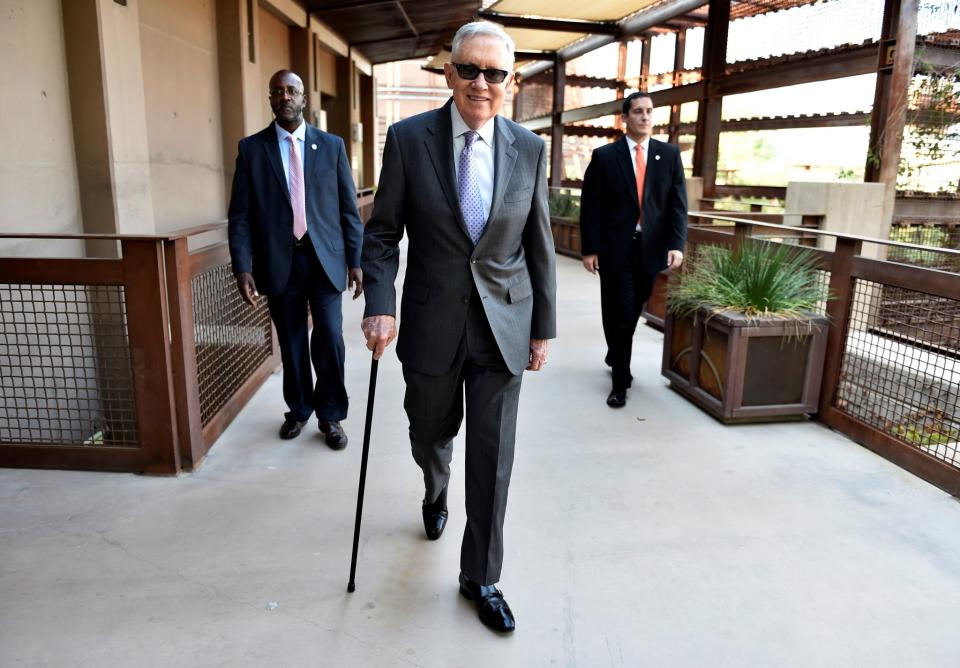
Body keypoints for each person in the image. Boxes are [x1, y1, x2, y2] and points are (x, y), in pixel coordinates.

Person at [360, 22, 557, 633]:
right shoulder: (408, 138)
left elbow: (539, 242)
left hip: (504, 324)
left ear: (510, 81)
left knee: (494, 458)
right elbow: (383, 233)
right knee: (429, 430)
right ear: (448, 73)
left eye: (494, 73)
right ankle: (435, 485)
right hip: (429, 321)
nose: (481, 83)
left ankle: (482, 575)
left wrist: (542, 326)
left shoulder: (528, 147)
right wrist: (380, 303)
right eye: (469, 70)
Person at [228, 69, 363, 448]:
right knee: (291, 342)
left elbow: (348, 210)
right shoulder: (252, 150)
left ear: (304, 99)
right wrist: (242, 266)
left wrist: (356, 260)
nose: (285, 97)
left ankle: (331, 416)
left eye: (292, 91)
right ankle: (300, 409)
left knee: (331, 338)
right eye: (277, 91)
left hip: (324, 262)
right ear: (270, 99)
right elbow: (240, 214)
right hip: (277, 263)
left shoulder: (332, 146)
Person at [579, 92, 688, 408]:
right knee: (622, 312)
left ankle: (615, 350)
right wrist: (590, 249)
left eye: (649, 111)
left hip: (651, 250)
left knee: (633, 306)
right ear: (624, 118)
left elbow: (678, 207)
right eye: (638, 111)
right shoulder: (605, 157)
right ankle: (620, 382)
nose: (645, 116)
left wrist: (676, 245)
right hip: (615, 250)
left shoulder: (668, 156)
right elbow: (591, 207)